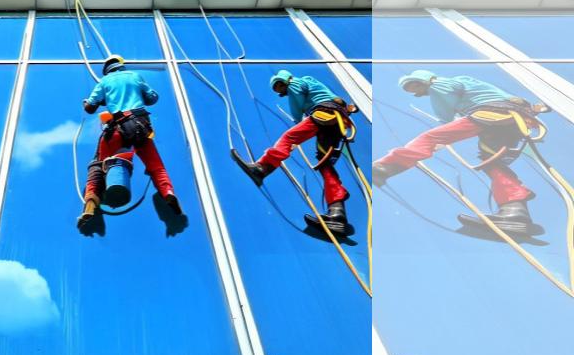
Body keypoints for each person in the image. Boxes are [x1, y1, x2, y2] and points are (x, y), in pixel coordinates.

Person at [373, 70, 544, 235]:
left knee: (429, 138)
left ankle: (385, 167)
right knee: (492, 163)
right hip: (513, 119)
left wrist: (445, 125)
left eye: (415, 87)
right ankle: (514, 211)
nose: (417, 93)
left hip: (491, 113)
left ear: (423, 81)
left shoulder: (438, 84)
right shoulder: (466, 80)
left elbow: (445, 113)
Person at [233, 69, 357, 234]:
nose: (281, 90)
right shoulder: (311, 84)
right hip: (335, 121)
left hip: (325, 113)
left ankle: (262, 168)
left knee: (289, 137)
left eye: (279, 86)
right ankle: (337, 214)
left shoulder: (296, 82)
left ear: (285, 80)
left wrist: (297, 119)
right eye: (277, 89)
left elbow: (297, 98)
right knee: (325, 165)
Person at [78, 55, 180, 228]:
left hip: (116, 129)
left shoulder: (104, 82)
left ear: (106, 69)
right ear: (121, 65)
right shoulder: (134, 76)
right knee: (156, 165)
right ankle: (167, 192)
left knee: (99, 165)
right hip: (140, 127)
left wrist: (90, 103)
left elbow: (90, 108)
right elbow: (152, 98)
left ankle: (90, 202)